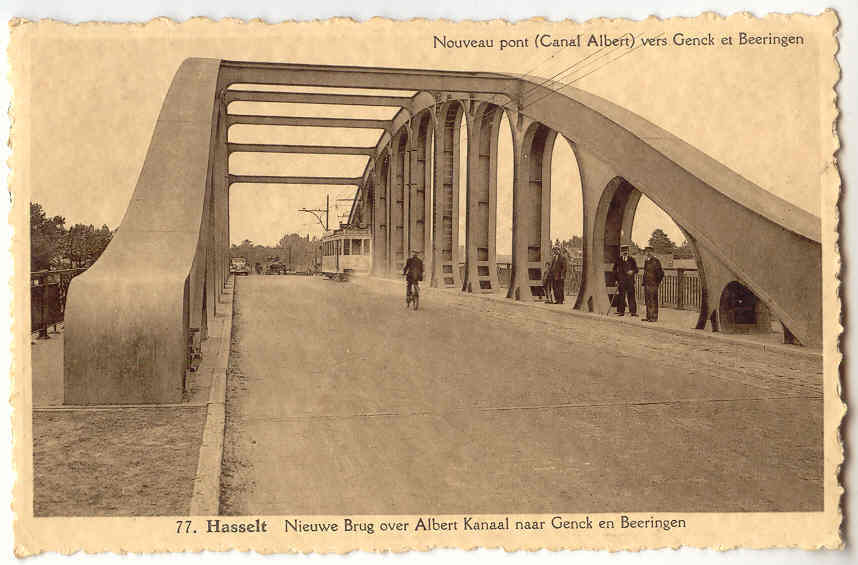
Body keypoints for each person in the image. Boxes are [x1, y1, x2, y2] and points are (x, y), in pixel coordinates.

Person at [612, 245, 638, 316]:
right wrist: (616, 280)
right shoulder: (618, 260)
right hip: (621, 281)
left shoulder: (632, 260)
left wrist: (632, 271)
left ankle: (633, 312)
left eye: (626, 251)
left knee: (631, 296)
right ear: (621, 252)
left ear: (628, 251)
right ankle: (621, 311)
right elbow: (614, 270)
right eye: (623, 251)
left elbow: (636, 269)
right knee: (621, 296)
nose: (625, 252)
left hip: (630, 282)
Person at [642, 246, 665, 322]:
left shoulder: (656, 261)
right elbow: (645, 272)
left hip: (653, 284)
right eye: (646, 252)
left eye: (649, 251)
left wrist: (657, 282)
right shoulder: (646, 261)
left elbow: (660, 273)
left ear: (652, 252)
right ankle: (648, 316)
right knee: (647, 300)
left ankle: (654, 317)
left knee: (653, 300)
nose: (648, 253)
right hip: (647, 283)